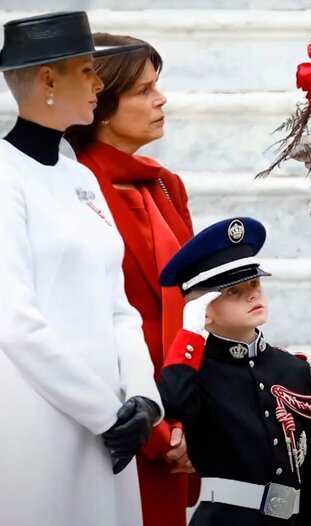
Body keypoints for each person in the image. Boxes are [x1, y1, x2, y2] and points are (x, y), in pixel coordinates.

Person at [0, 12, 163, 526]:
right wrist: (104, 413)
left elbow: (119, 306)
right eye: (88, 71)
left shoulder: (81, 178)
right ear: (48, 80)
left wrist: (143, 398)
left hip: (115, 425)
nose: (98, 84)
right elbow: (14, 321)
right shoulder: (5, 175)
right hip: (44, 416)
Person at [66, 33, 196, 526]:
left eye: (157, 86)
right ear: (101, 106)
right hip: (118, 417)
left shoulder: (165, 182)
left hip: (179, 405)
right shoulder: (73, 187)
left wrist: (190, 418)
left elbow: (195, 300)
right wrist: (155, 426)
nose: (161, 99)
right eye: (144, 90)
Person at [157, 217, 311, 526]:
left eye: (255, 284)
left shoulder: (293, 370)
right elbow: (172, 403)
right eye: (233, 291)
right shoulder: (196, 372)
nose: (252, 295)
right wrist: (190, 333)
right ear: (205, 311)